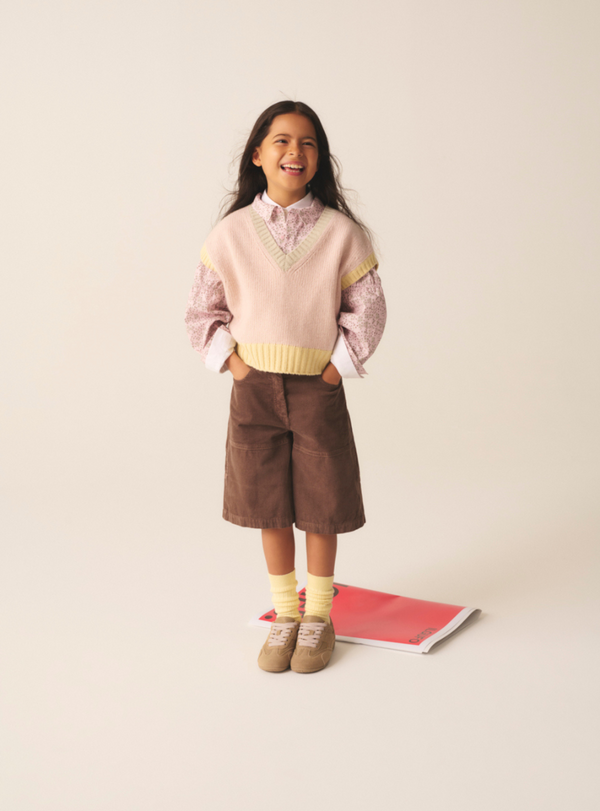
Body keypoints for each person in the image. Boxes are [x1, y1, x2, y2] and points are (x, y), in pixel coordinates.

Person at [184, 100, 386, 673]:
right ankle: (286, 615)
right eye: (282, 140)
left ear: (319, 159)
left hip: (317, 388)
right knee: (267, 503)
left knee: (323, 504)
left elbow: (369, 309)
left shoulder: (342, 234)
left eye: (308, 143)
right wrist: (236, 366)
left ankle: (318, 616)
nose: (295, 151)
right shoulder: (230, 234)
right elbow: (201, 311)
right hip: (253, 390)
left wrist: (334, 369)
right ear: (257, 154)